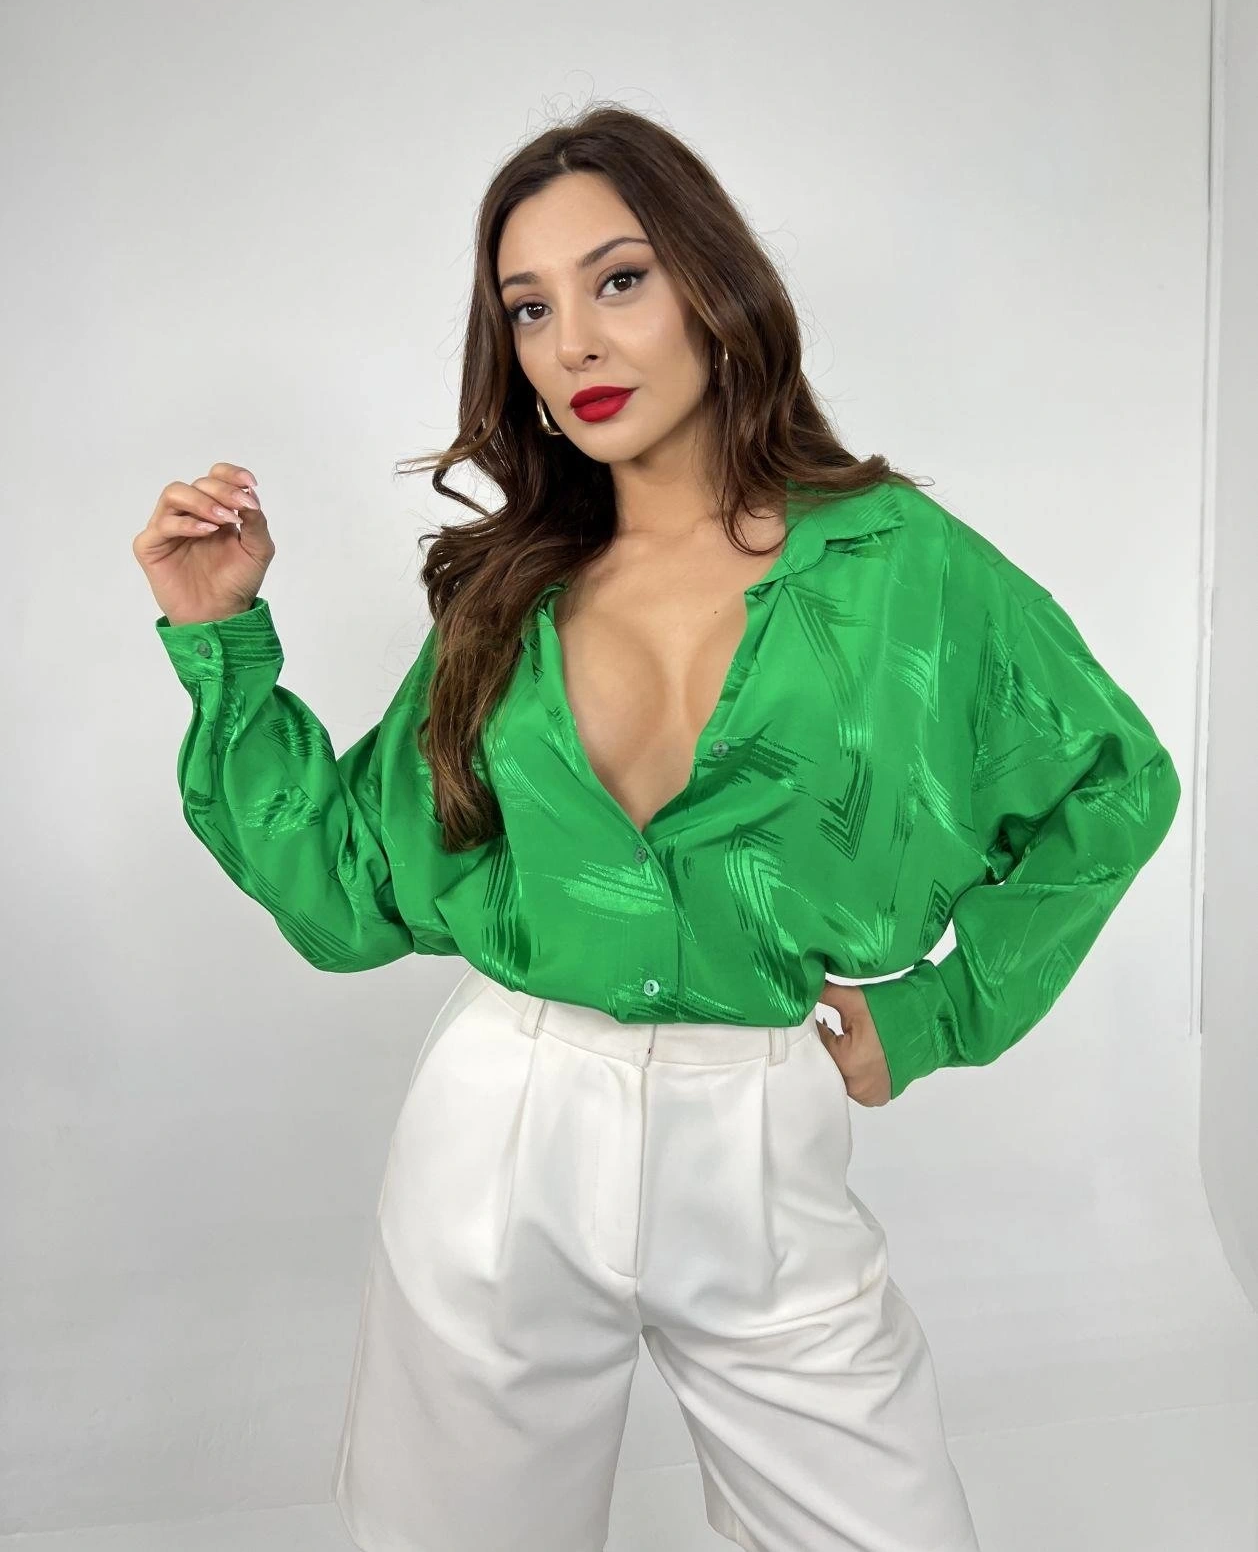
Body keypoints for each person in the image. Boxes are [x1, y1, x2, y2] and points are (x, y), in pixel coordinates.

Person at [132, 105, 1181, 1552]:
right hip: (502, 1129)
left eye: (617, 280)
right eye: (529, 308)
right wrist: (221, 640)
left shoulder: (899, 563)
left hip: (758, 1136)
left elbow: (1112, 781)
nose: (574, 342)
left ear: (710, 286)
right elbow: (349, 887)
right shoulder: (510, 592)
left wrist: (943, 1011)